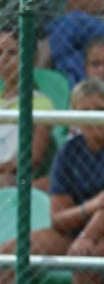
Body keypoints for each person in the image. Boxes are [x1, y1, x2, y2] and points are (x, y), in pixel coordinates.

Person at [0, 78, 104, 284]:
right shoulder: (69, 151)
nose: (92, 117)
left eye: (100, 110)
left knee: (85, 258)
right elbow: (58, 218)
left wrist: (87, 237)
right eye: (84, 111)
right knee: (9, 253)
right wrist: (91, 207)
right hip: (76, 231)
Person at [0, 18, 53, 191]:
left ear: (31, 57)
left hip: (13, 179)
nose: (4, 60)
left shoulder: (40, 104)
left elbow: (33, 158)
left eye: (12, 53)